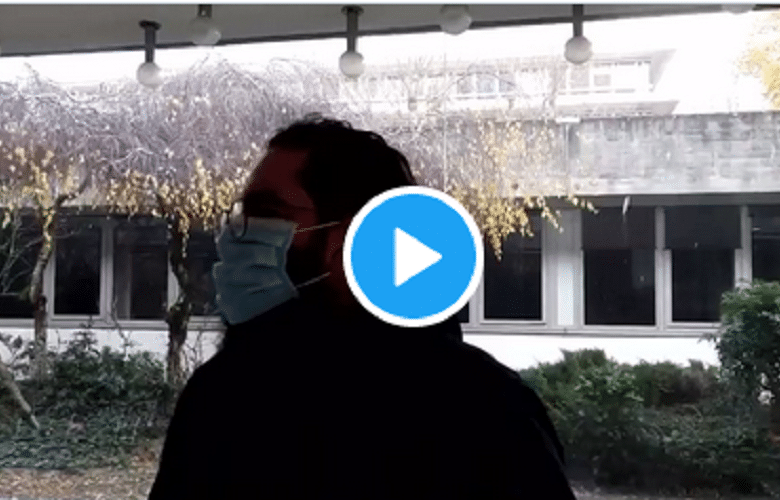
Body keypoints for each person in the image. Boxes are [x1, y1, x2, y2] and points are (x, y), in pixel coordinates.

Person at [148, 114, 577, 500]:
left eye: (267, 212)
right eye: (242, 213)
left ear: (353, 242)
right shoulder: (221, 395)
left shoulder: (484, 411)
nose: (236, 232)